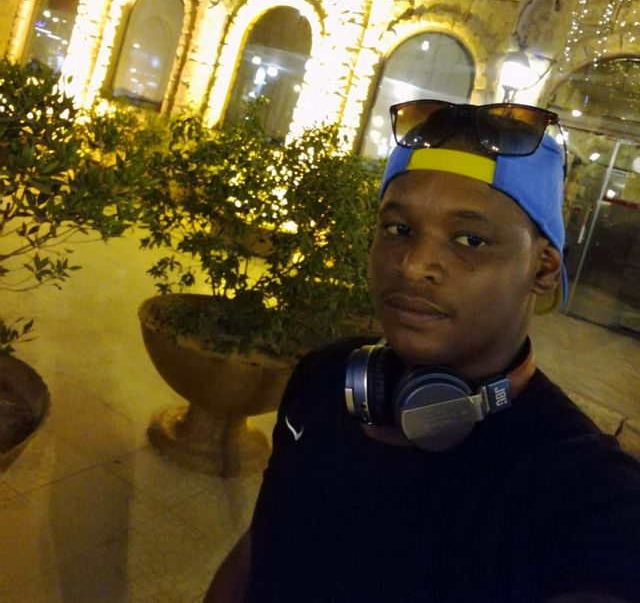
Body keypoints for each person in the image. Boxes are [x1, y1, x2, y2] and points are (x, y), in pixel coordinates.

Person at [204, 99, 640, 603]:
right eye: (399, 229)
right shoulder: (324, 374)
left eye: (470, 239)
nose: (412, 266)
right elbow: (260, 541)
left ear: (542, 269)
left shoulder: (580, 488)